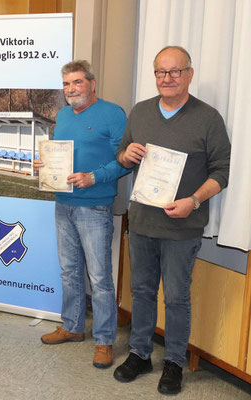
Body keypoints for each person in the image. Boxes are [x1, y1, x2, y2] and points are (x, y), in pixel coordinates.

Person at [113, 46, 231, 395]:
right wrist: (126, 154)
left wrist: (194, 200)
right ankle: (140, 353)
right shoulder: (141, 112)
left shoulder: (208, 118)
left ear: (189, 74)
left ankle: (175, 362)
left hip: (183, 227)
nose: (167, 78)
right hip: (143, 223)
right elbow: (122, 156)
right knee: (142, 291)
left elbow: (222, 173)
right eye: (161, 72)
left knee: (177, 297)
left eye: (175, 71)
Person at [35, 60, 130, 368]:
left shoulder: (113, 114)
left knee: (100, 277)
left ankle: (104, 341)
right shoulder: (63, 115)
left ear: (92, 83)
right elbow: (57, 153)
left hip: (94, 205)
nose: (71, 89)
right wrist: (44, 165)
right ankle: (72, 326)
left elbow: (125, 161)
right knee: (69, 271)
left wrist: (94, 176)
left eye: (76, 82)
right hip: (63, 203)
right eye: (66, 84)